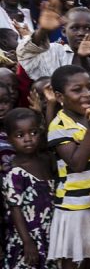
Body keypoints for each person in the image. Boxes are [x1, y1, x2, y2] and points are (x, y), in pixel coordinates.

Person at [46, 65, 90, 268]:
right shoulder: (59, 127)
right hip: (74, 207)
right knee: (74, 261)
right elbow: (76, 163)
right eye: (77, 90)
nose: (87, 94)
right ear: (60, 96)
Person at [2, 108, 55, 269]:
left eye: (33, 133)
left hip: (50, 233)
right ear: (9, 139)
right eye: (20, 135)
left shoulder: (47, 161)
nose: (28, 139)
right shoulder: (15, 172)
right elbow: (15, 208)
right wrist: (27, 242)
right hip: (27, 237)